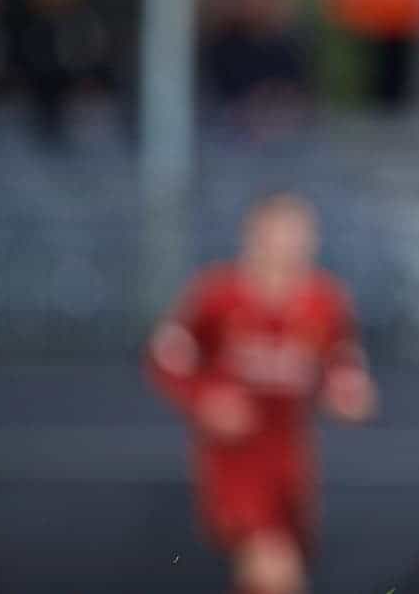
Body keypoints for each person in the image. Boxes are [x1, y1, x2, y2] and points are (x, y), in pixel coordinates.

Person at [147, 194, 378, 594]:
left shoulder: (325, 301)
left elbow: (344, 369)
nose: (288, 245)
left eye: (298, 236)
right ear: (253, 236)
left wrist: (350, 396)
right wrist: (204, 399)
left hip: (291, 457)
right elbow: (166, 355)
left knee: (275, 570)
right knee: (274, 569)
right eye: (278, 234)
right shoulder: (218, 295)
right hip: (235, 460)